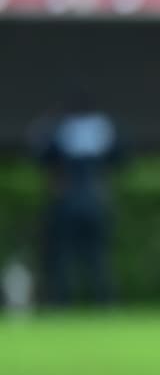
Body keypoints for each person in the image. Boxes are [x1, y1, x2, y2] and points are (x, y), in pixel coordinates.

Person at [29, 95, 125, 306]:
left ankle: (61, 302)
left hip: (67, 199)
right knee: (97, 255)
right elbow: (122, 157)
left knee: (63, 254)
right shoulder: (103, 129)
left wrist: (46, 124)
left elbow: (40, 153)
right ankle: (105, 303)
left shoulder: (61, 129)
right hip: (95, 199)